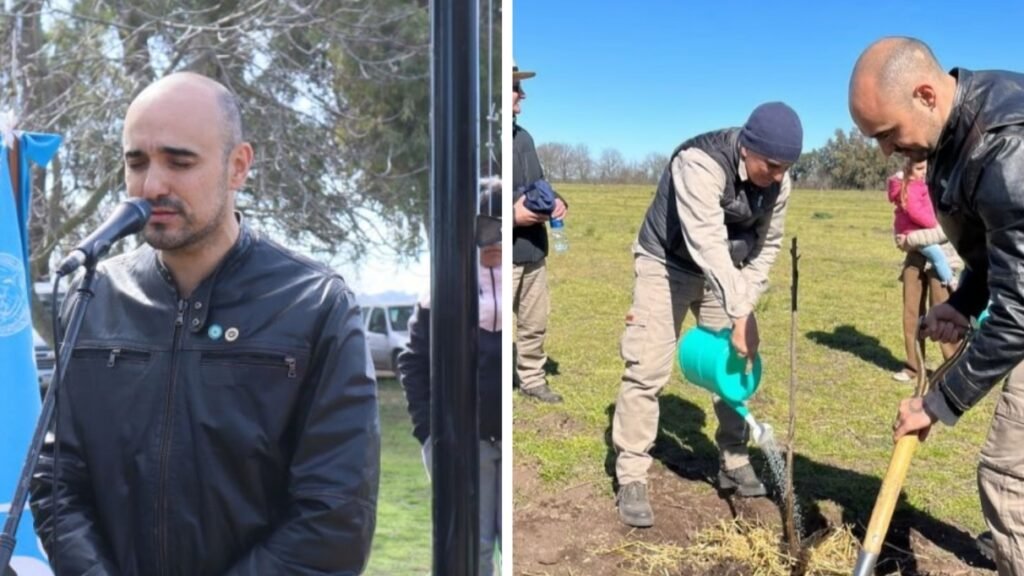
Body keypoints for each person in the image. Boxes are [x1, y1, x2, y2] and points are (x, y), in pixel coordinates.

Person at [29, 72, 380, 575]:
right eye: (136, 162)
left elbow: (336, 517)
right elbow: (56, 479)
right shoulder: (94, 296)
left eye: (180, 161)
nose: (152, 186)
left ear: (238, 166)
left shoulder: (315, 304)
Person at [850, 36, 1024, 574]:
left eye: (887, 134)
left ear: (925, 95)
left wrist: (937, 402)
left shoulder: (1005, 147)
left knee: (1007, 475)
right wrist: (966, 304)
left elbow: (1020, 309)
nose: (886, 151)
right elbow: (1002, 252)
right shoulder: (950, 132)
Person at [612, 102, 803, 528]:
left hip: (727, 271)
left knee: (735, 366)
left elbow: (768, 245)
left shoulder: (779, 181)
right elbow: (707, 244)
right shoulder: (699, 162)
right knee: (647, 367)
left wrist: (746, 302)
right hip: (667, 262)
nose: (778, 176)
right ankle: (632, 475)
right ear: (747, 147)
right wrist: (741, 312)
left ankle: (733, 458)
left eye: (786, 168)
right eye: (772, 166)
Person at [398, 177, 502, 575]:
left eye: (501, 229)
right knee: (474, 548)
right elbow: (413, 364)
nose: (492, 241)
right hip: (465, 443)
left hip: (509, 437)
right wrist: (429, 434)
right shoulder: (439, 293)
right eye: (483, 230)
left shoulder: (521, 284)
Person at [513, 60, 567, 404]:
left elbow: (539, 182)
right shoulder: (476, 138)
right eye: (515, 87)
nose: (523, 94)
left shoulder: (524, 137)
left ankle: (532, 379)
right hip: (496, 254)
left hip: (533, 248)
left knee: (534, 321)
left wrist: (558, 201)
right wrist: (509, 216)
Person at [886, 158, 961, 383]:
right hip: (915, 255)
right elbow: (902, 220)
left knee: (943, 310)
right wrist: (905, 239)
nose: (924, 172)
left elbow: (948, 226)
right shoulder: (907, 187)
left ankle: (953, 368)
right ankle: (913, 367)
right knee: (911, 311)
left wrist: (912, 239)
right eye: (919, 168)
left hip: (942, 255)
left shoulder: (948, 182)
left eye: (926, 168)